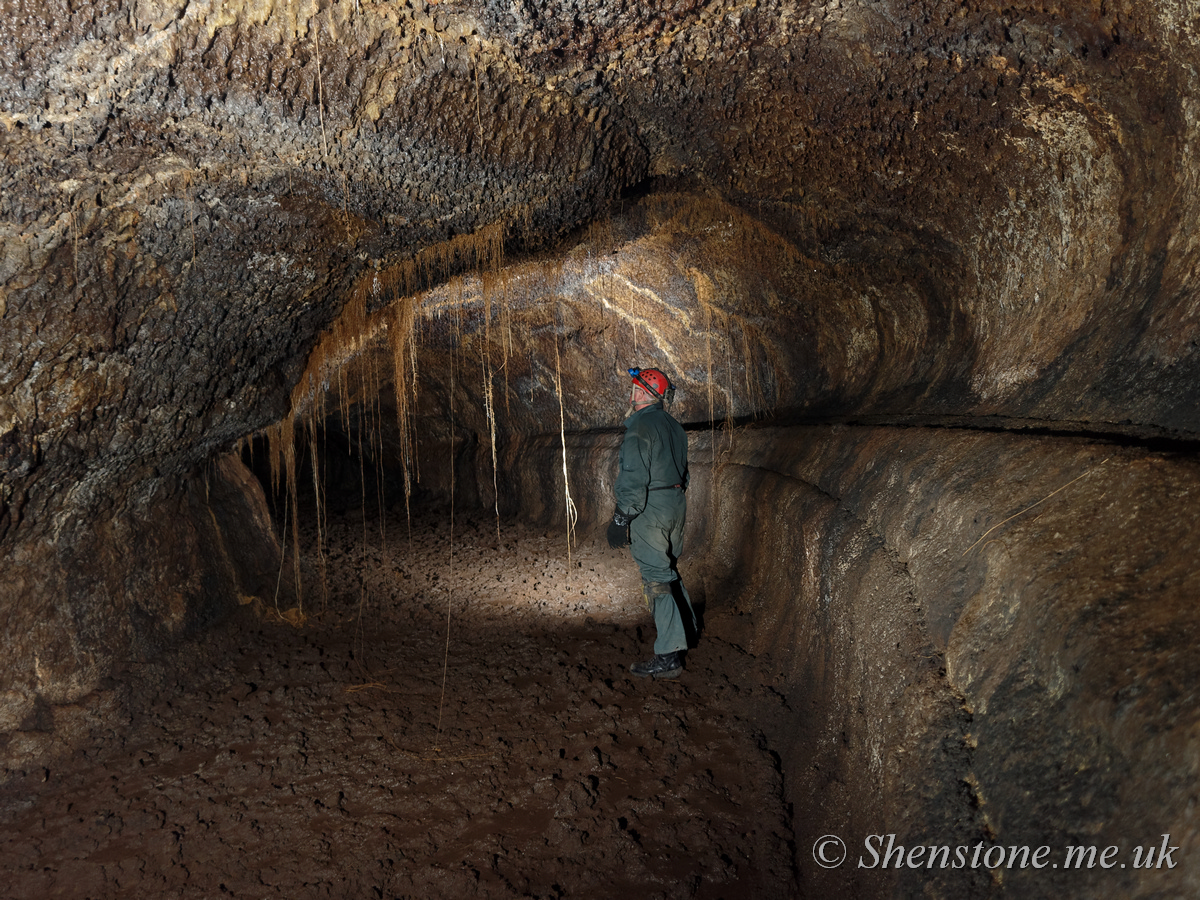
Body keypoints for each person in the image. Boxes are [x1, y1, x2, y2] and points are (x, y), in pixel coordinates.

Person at [606, 366, 698, 678]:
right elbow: (684, 473)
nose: (631, 393)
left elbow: (634, 479)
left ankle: (669, 654)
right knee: (669, 568)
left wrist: (621, 519)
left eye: (634, 388)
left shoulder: (639, 430)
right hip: (675, 504)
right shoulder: (674, 427)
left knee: (656, 577)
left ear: (642, 393)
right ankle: (688, 631)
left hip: (651, 507)